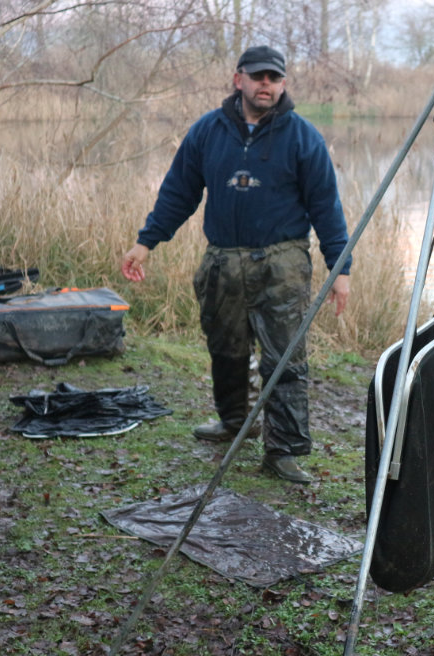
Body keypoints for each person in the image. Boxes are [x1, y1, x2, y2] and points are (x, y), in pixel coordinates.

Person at [120, 45, 351, 484]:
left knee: (285, 358)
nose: (266, 85)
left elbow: (327, 209)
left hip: (282, 262)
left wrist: (341, 270)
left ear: (283, 84)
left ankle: (283, 451)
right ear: (238, 79)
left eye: (274, 78)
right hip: (223, 260)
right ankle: (232, 422)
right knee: (225, 348)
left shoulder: (303, 137)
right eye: (258, 76)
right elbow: (178, 193)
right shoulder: (208, 131)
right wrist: (145, 242)